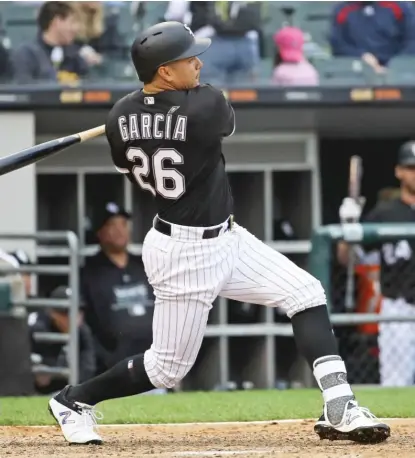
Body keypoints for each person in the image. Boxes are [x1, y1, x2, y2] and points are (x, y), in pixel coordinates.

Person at [48, 21, 390, 446]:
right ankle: (72, 400)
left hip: (226, 237)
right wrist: (161, 111)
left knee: (305, 293)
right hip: (184, 253)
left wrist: (143, 113)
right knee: (166, 369)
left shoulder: (120, 116)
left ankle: (340, 405)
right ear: (164, 72)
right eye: (186, 59)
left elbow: (129, 159)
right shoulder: (205, 105)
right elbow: (214, 117)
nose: (198, 63)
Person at [338, 142, 415, 387]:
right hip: (398, 305)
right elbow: (348, 259)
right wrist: (348, 227)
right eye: (411, 167)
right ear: (399, 171)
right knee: (396, 383)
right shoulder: (385, 213)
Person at [81, 202, 154, 375]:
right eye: (112, 225)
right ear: (99, 232)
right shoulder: (90, 272)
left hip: (153, 363)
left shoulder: (145, 264)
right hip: (112, 368)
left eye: (123, 224)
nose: (120, 230)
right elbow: (82, 321)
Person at [28, 285, 96, 394]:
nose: (72, 318)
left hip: (64, 390)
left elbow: (87, 368)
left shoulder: (82, 331)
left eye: (77, 312)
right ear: (52, 312)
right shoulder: (37, 329)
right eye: (65, 313)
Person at [11, 1, 89, 84]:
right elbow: (23, 89)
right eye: (72, 22)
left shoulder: (74, 57)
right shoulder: (27, 54)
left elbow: (89, 85)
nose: (76, 28)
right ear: (57, 22)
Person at [330, 1, 415, 73]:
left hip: (397, 71)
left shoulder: (401, 8)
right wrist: (362, 56)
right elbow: (339, 45)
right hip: (357, 71)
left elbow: (411, 41)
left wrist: (394, 66)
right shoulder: (342, 10)